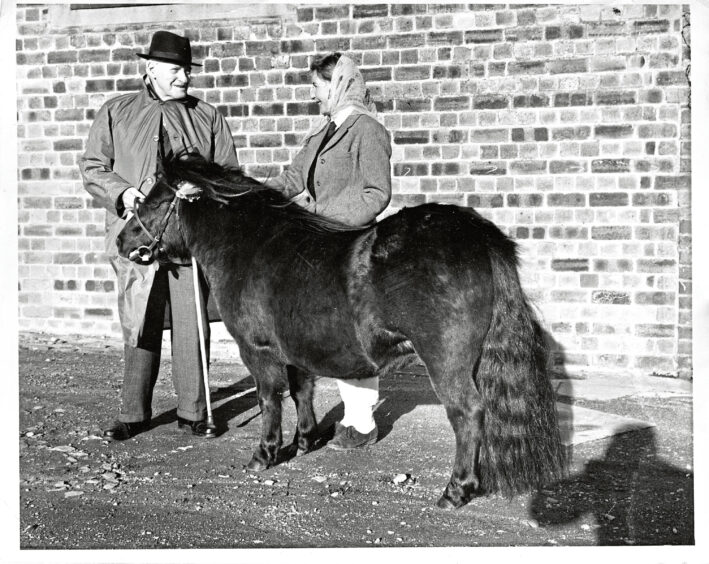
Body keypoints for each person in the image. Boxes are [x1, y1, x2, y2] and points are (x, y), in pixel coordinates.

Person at [79, 31, 239, 441]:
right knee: (140, 320)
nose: (185, 78)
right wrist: (124, 192)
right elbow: (93, 167)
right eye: (176, 70)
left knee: (192, 322)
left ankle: (194, 410)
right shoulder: (116, 112)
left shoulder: (208, 117)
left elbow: (230, 175)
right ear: (149, 69)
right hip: (139, 238)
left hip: (188, 241)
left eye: (187, 69)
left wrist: (204, 190)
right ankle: (133, 413)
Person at [266, 52, 392, 450]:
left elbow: (376, 195)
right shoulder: (324, 130)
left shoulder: (366, 130)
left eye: (317, 87)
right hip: (320, 248)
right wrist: (251, 199)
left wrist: (316, 214)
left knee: (351, 335)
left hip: (352, 249)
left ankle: (361, 421)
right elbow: (291, 177)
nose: (314, 95)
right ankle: (327, 415)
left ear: (338, 83)